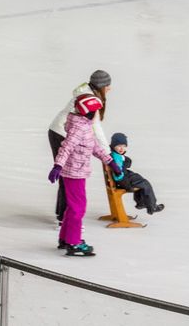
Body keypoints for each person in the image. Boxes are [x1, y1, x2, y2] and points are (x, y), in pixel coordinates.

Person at [48, 94, 119, 257]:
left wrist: (109, 161)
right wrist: (57, 166)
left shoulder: (84, 125)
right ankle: (74, 242)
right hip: (74, 172)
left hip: (78, 171)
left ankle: (66, 238)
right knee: (78, 208)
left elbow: (93, 145)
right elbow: (66, 147)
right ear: (90, 112)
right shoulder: (79, 128)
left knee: (74, 207)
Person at [48, 70, 111, 224]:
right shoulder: (90, 99)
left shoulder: (89, 94)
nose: (110, 88)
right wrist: (107, 151)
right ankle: (64, 218)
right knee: (68, 175)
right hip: (62, 132)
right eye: (108, 85)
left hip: (63, 130)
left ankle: (63, 215)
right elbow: (95, 126)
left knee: (67, 176)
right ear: (101, 86)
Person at [109, 133, 164, 216]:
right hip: (124, 181)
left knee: (140, 181)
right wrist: (126, 185)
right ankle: (152, 207)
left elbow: (121, 167)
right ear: (113, 146)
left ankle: (141, 203)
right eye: (119, 145)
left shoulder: (115, 155)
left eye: (124, 146)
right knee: (145, 184)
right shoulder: (116, 158)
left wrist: (125, 161)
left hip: (124, 178)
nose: (122, 148)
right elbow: (118, 173)